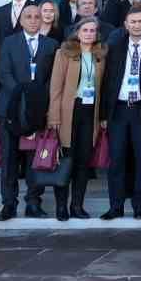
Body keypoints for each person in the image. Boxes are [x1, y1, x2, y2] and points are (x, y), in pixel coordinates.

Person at [0, 1, 60, 221]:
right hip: (10, 109)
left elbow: (53, 77)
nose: (33, 20)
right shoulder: (9, 42)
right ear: (21, 21)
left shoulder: (51, 44)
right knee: (9, 160)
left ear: (42, 20)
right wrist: (22, 94)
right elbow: (4, 73)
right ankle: (8, 204)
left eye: (36, 17)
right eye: (28, 16)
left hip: (37, 111)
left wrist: (36, 100)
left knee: (35, 160)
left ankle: (33, 202)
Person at [100, 8, 141, 220]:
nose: (136, 25)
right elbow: (105, 82)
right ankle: (115, 206)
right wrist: (103, 114)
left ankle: (139, 206)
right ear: (126, 25)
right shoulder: (114, 47)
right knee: (117, 159)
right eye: (132, 22)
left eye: (140, 21)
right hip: (118, 110)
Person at [46, 16, 107, 220]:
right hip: (68, 112)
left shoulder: (101, 55)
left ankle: (77, 206)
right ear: (77, 32)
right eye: (85, 30)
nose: (89, 34)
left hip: (90, 113)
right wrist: (53, 117)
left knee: (83, 162)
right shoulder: (64, 53)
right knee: (66, 161)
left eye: (92, 31)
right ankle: (61, 206)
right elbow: (55, 88)